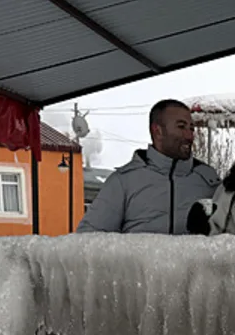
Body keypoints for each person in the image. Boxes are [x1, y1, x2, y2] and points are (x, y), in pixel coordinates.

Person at [77, 99, 219, 234]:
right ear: (158, 131)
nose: (189, 136)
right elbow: (88, 239)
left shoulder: (209, 181)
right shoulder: (124, 182)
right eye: (181, 127)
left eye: (191, 128)